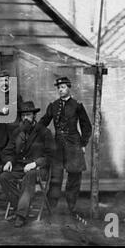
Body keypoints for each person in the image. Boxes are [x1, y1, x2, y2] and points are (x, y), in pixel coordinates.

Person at [39, 76, 92, 218]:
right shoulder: (54, 105)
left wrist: (83, 143)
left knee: (74, 178)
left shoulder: (77, 105)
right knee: (56, 177)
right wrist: (38, 133)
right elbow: (43, 122)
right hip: (57, 146)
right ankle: (51, 208)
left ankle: (71, 207)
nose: (60, 90)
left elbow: (86, 126)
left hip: (74, 145)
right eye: (58, 88)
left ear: (69, 87)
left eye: (63, 87)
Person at [0, 101, 55, 227]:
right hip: (20, 167)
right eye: (23, 115)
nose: (25, 118)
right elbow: (8, 151)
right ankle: (21, 206)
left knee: (30, 176)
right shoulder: (17, 132)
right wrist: (8, 161)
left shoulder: (44, 132)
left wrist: (35, 163)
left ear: (34, 116)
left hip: (38, 169)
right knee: (4, 177)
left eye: (28, 115)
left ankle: (20, 215)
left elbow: (50, 156)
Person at [0, 70, 22, 172]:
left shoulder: (16, 96)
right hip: (0, 133)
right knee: (2, 160)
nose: (4, 82)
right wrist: (0, 111)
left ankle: (12, 181)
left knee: (14, 159)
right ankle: (4, 182)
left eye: (6, 80)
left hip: (14, 133)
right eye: (1, 80)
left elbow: (22, 112)